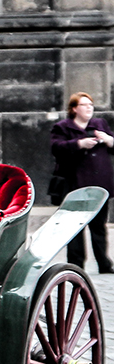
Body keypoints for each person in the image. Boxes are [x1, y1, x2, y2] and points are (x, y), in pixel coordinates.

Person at [50, 92, 114, 273]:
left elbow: (113, 145)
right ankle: (76, 265)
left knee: (99, 227)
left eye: (91, 105)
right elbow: (56, 148)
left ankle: (104, 263)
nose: (89, 108)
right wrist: (79, 144)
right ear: (74, 109)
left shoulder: (99, 124)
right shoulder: (62, 127)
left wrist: (109, 140)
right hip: (75, 184)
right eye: (84, 105)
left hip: (100, 184)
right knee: (74, 227)